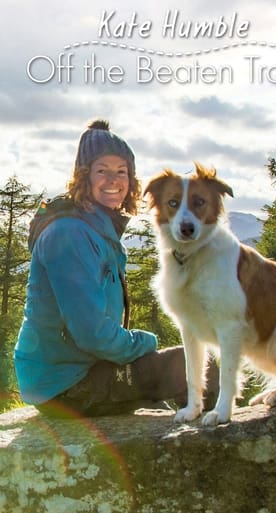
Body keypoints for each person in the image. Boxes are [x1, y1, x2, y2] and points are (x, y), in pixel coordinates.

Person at [14, 119, 218, 418]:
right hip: (64, 385)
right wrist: (146, 342)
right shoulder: (70, 233)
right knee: (199, 364)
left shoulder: (96, 228)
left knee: (169, 386)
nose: (113, 179)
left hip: (75, 372)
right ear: (84, 177)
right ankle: (216, 450)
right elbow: (92, 333)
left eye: (121, 171)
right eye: (102, 170)